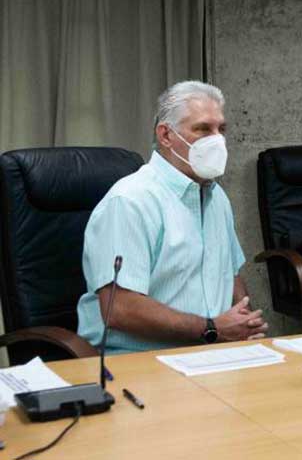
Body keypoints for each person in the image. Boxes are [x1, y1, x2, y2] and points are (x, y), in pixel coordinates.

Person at [77, 80, 267, 353]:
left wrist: (243, 322)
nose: (217, 140)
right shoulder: (130, 201)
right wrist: (212, 328)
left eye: (221, 130)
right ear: (166, 135)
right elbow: (120, 309)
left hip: (212, 353)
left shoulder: (217, 198)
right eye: (203, 129)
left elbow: (230, 273)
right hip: (139, 362)